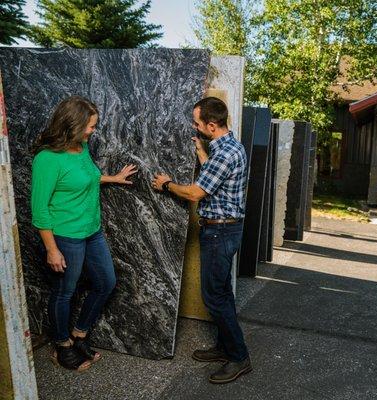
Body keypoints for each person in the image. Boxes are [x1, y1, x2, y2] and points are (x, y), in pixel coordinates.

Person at [31, 95, 137, 371]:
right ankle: (62, 345)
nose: (93, 131)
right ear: (72, 124)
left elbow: (85, 177)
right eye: (90, 126)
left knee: (106, 282)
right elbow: (39, 209)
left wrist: (111, 178)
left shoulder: (82, 146)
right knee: (65, 291)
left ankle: (79, 335)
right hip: (65, 236)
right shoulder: (48, 159)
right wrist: (52, 249)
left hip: (92, 231)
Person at [151, 97, 251, 384]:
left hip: (220, 232)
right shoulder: (228, 147)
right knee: (223, 293)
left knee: (214, 297)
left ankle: (239, 357)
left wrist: (166, 185)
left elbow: (196, 193)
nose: (194, 127)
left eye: (197, 124)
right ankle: (225, 346)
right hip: (223, 229)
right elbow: (213, 177)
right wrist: (199, 151)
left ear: (211, 125)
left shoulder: (224, 154)